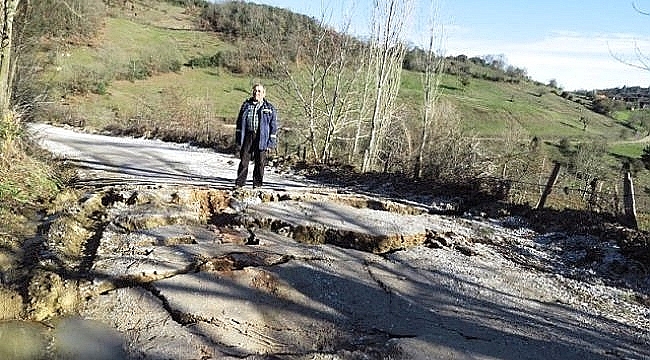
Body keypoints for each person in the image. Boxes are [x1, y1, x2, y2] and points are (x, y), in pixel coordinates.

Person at [234, 83, 278, 189]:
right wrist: (238, 138)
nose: (256, 93)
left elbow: (273, 126)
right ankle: (239, 184)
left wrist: (271, 142)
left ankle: (257, 185)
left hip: (262, 137)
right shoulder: (246, 105)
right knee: (244, 161)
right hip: (247, 135)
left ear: (263, 93)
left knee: (260, 162)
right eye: (255, 91)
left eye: (259, 91)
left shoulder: (269, 108)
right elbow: (239, 123)